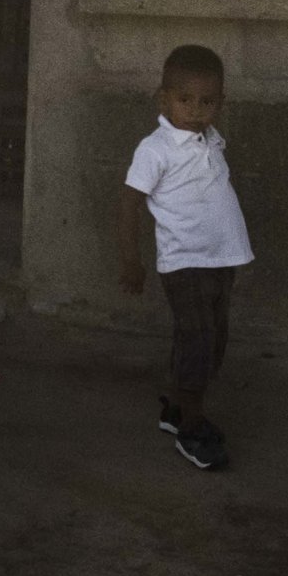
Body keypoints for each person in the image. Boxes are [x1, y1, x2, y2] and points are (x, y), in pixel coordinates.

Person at [117, 44, 253, 472]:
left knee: (212, 340)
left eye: (207, 101)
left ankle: (177, 411)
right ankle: (193, 428)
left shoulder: (209, 138)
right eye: (184, 99)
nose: (196, 110)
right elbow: (128, 203)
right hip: (185, 262)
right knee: (197, 342)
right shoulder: (156, 149)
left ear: (221, 102)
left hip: (219, 261)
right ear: (164, 99)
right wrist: (130, 260)